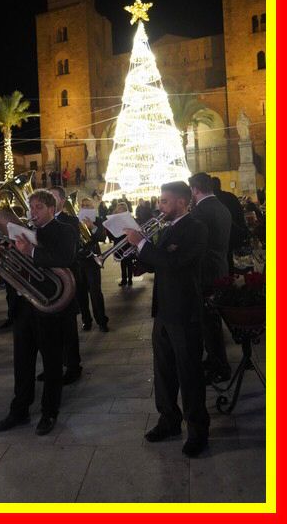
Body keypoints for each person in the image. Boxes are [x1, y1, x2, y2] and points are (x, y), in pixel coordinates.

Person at [124, 181, 210, 458]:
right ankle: (169, 421)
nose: (159, 206)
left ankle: (198, 431)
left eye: (164, 201)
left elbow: (177, 262)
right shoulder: (168, 228)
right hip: (163, 312)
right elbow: (160, 262)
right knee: (163, 372)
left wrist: (143, 245)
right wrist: (138, 258)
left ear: (182, 202)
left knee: (190, 374)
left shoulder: (195, 228)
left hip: (185, 313)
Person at [0, 190, 77, 436]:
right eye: (32, 208)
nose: (34, 213)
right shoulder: (27, 231)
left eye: (39, 207)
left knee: (51, 363)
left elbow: (65, 257)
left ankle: (50, 411)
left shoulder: (64, 230)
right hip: (24, 306)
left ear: (52, 208)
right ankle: (19, 410)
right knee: (22, 361)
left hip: (50, 305)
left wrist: (30, 251)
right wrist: (6, 254)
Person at [188, 172, 232, 384]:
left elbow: (195, 245)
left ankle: (219, 366)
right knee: (212, 321)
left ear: (195, 190)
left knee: (209, 322)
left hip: (206, 272)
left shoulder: (200, 211)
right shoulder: (221, 206)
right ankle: (215, 360)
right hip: (220, 268)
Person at [49, 186, 83, 383]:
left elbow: (70, 251)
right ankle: (53, 365)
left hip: (66, 278)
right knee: (50, 328)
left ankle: (73, 366)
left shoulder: (71, 221)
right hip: (48, 281)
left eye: (52, 197)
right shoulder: (39, 222)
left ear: (62, 201)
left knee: (68, 326)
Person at [77, 197, 109, 332]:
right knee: (81, 293)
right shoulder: (74, 221)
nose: (85, 207)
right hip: (78, 261)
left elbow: (102, 237)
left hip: (92, 260)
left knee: (96, 292)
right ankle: (86, 320)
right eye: (83, 205)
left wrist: (93, 227)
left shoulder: (98, 220)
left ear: (92, 208)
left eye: (88, 206)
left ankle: (101, 321)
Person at [211, 176, 248, 273]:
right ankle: (231, 278)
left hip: (221, 236)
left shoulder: (212, 201)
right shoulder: (230, 196)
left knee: (224, 261)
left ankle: (227, 280)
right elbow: (240, 213)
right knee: (230, 259)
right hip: (234, 233)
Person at [113, 202, 134, 286]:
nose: (120, 212)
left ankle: (130, 279)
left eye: (122, 210)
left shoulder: (130, 218)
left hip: (128, 242)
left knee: (129, 262)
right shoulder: (114, 220)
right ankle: (124, 279)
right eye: (119, 210)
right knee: (122, 262)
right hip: (119, 242)